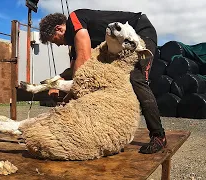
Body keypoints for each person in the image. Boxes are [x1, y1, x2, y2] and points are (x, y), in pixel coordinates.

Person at [39, 9, 166, 154]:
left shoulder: (75, 18)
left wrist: (73, 93)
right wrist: (60, 83)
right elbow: (74, 68)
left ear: (59, 29)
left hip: (139, 31)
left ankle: (158, 136)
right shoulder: (76, 42)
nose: (57, 45)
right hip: (120, 43)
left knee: (135, 78)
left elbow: (84, 61)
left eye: (54, 40)